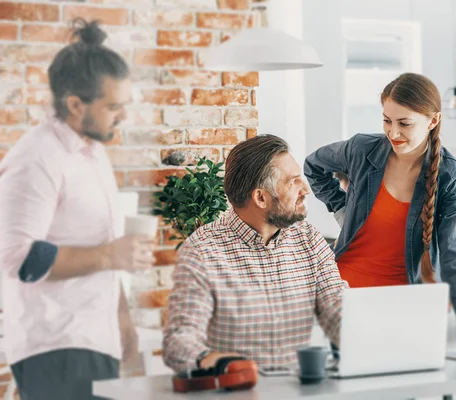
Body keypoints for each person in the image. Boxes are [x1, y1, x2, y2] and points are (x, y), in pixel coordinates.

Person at [0, 19, 156, 400]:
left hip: (93, 339)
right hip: (55, 345)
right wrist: (111, 255)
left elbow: (102, 248)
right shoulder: (36, 158)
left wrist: (122, 320)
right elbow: (17, 258)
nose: (123, 116)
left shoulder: (93, 153)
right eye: (113, 106)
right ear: (74, 104)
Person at [304, 72, 456, 351]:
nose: (393, 133)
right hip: (344, 295)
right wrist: (342, 209)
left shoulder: (449, 176)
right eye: (387, 120)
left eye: (405, 123)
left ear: (433, 121)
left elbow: (455, 254)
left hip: (406, 302)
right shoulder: (362, 149)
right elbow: (313, 166)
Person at [162, 134, 346, 372]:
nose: (306, 190)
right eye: (293, 182)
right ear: (260, 197)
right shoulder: (202, 251)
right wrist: (212, 361)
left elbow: (336, 309)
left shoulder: (308, 239)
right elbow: (179, 339)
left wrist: (376, 335)